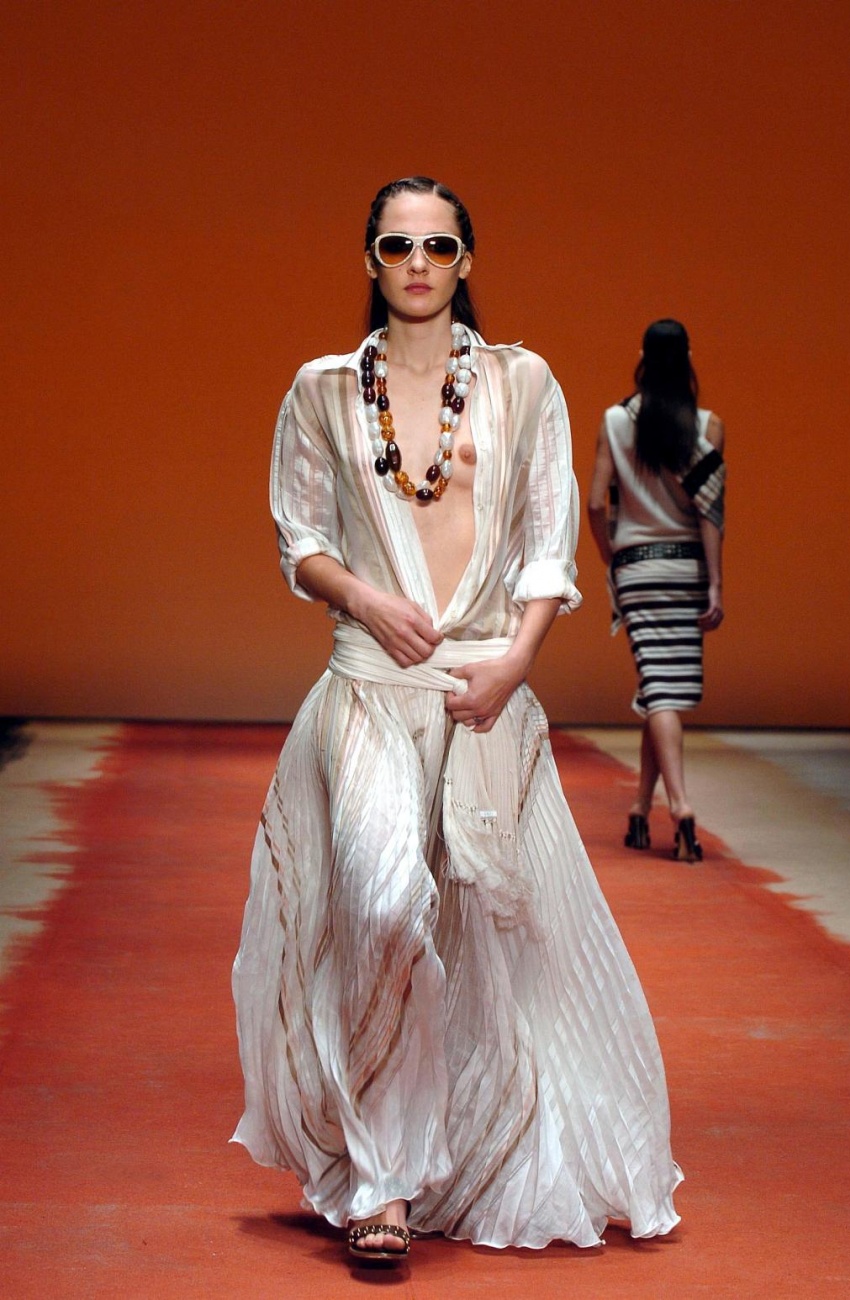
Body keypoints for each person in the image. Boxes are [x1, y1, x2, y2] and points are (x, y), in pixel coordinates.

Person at [232, 177, 681, 1265]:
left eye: (438, 246)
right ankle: (381, 1177)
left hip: (484, 696)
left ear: (467, 259)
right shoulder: (324, 390)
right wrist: (365, 598)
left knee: (478, 942)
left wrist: (515, 663)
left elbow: (546, 540)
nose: (418, 264)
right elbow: (300, 536)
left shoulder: (523, 383)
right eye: (397, 246)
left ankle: (455, 1155)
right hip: (367, 689)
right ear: (371, 260)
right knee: (382, 906)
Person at [588, 319, 726, 862]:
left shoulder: (615, 421)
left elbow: (596, 502)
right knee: (664, 688)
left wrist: (611, 555)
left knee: (656, 688)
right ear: (688, 356)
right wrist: (715, 582)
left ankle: (645, 808)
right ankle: (681, 807)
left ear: (641, 356)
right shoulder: (708, 428)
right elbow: (711, 514)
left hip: (636, 570)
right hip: (686, 570)